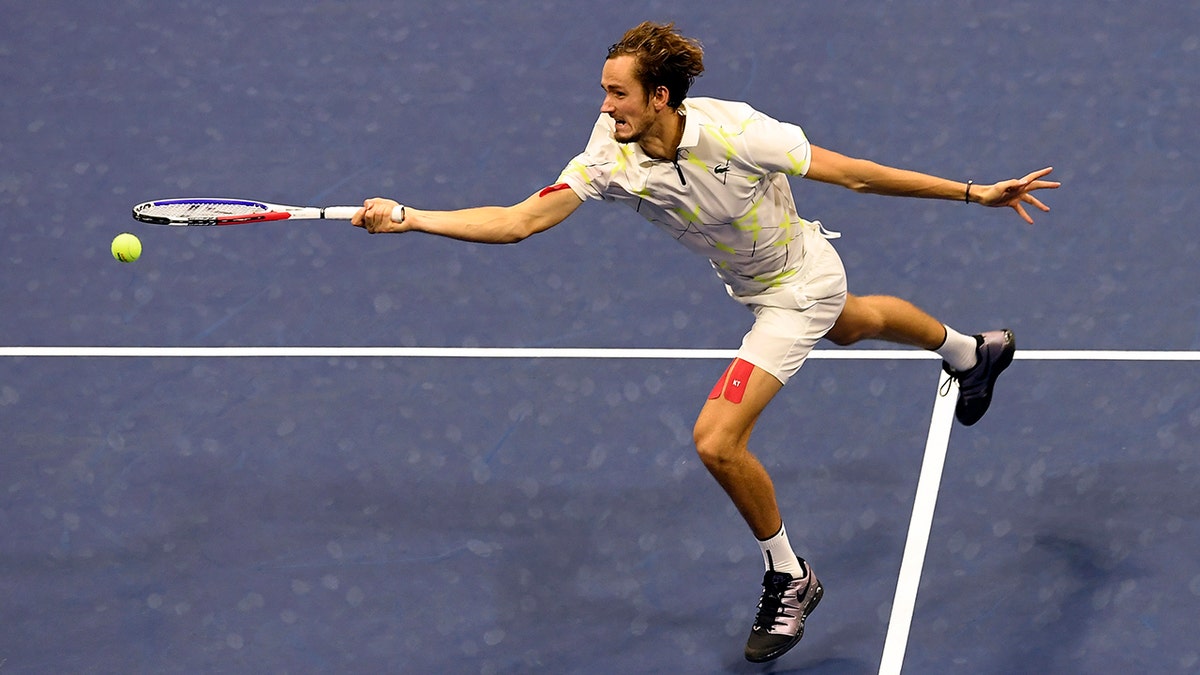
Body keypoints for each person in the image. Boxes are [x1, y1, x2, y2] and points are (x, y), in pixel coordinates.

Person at [352, 21, 1059, 663]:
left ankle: (789, 573)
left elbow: (856, 175)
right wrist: (411, 217)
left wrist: (973, 193)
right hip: (762, 285)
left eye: (618, 95)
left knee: (717, 440)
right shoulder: (610, 155)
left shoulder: (739, 133)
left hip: (797, 286)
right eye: (603, 94)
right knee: (854, 323)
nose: (605, 108)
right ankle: (971, 350)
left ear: (660, 96)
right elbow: (516, 222)